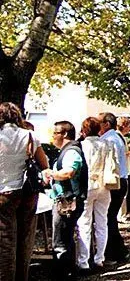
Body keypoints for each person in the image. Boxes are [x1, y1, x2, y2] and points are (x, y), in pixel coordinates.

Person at [0, 102, 49, 281]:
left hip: (3, 192)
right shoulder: (30, 136)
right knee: (25, 238)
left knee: (5, 242)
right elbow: (44, 164)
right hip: (27, 192)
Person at [44, 121, 88, 279]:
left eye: (55, 133)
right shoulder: (66, 151)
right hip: (63, 199)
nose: (52, 137)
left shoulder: (71, 152)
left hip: (67, 202)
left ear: (64, 134)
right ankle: (68, 271)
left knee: (61, 242)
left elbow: (69, 172)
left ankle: (63, 274)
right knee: (65, 239)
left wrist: (50, 173)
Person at [75, 117, 114, 273]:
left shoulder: (82, 146)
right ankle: (99, 258)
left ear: (84, 130)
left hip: (87, 186)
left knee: (84, 223)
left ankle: (83, 261)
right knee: (102, 222)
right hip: (104, 185)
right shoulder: (107, 144)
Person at [97, 112, 129, 263]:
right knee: (110, 218)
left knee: (108, 218)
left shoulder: (108, 140)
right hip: (120, 180)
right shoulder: (116, 137)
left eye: (100, 122)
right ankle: (119, 250)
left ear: (107, 124)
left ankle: (114, 252)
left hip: (115, 182)